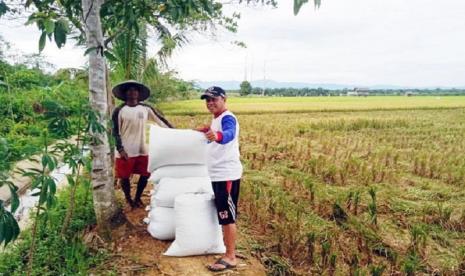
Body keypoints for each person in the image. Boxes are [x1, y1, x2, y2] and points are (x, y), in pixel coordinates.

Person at [197, 86, 243, 272]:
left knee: (227, 216)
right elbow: (216, 135)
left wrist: (217, 135)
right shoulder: (216, 119)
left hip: (227, 175)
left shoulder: (228, 117)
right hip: (217, 174)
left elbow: (229, 134)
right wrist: (208, 130)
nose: (210, 103)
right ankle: (227, 251)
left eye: (214, 99)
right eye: (207, 100)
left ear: (224, 99)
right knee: (223, 214)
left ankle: (231, 256)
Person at [111, 80, 172, 208]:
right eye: (129, 90)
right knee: (124, 177)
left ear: (138, 93)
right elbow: (115, 131)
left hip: (142, 148)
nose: (132, 92)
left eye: (135, 90)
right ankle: (128, 199)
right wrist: (120, 149)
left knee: (145, 174)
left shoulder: (146, 108)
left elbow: (161, 121)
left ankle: (138, 197)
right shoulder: (119, 110)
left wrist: (175, 132)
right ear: (125, 93)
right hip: (125, 149)